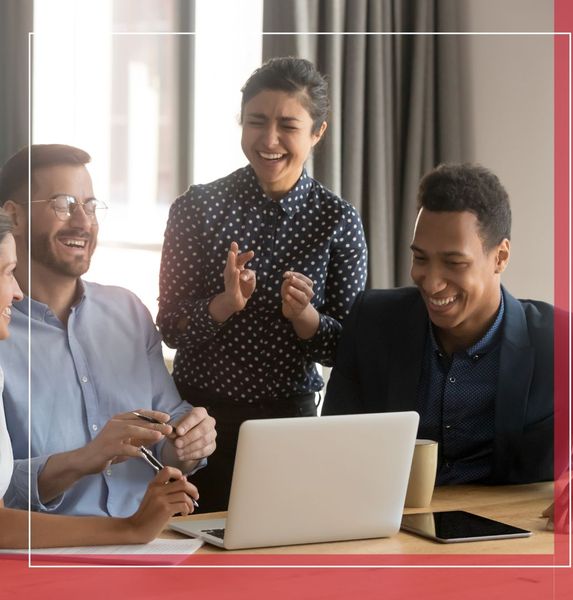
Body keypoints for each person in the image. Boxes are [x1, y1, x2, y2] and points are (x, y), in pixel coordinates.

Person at [322, 163, 573, 531]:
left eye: (454, 263)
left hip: (516, 541)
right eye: (420, 258)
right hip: (390, 534)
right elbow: (330, 449)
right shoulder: (372, 321)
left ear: (500, 257)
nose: (432, 281)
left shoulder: (567, 341)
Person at [157, 57, 368, 511]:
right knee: (192, 559)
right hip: (197, 422)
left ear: (317, 133)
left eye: (288, 125)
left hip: (288, 422)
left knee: (280, 562)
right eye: (256, 121)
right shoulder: (196, 208)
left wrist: (306, 320)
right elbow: (170, 328)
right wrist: (224, 304)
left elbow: (350, 350)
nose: (269, 140)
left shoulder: (338, 220)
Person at [0, 144, 216, 519]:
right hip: (45, 556)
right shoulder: (2, 328)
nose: (83, 222)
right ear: (13, 216)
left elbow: (169, 419)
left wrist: (189, 440)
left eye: (91, 205)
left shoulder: (128, 310)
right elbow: (3, 495)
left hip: (151, 541)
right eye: (63, 204)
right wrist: (86, 458)